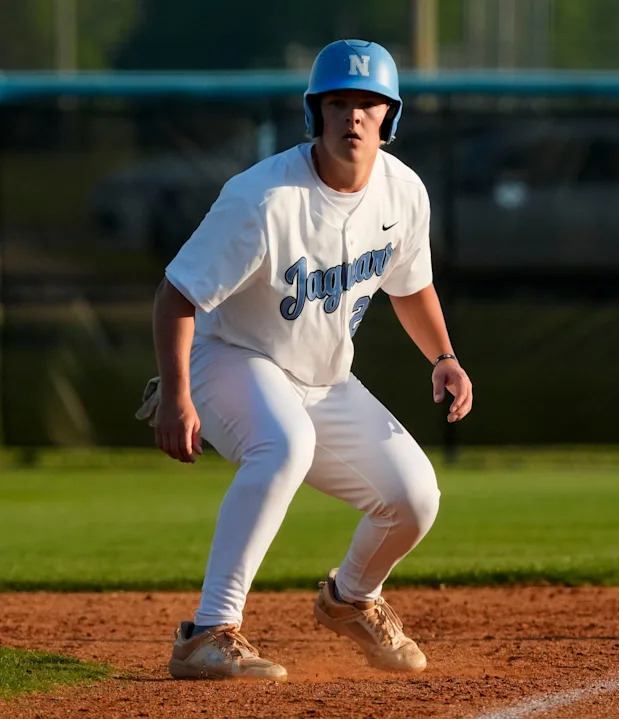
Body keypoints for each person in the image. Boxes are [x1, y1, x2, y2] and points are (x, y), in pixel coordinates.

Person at [141, 39, 473, 679]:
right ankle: (209, 632)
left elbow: (411, 286)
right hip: (227, 356)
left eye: (367, 104)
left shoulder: (402, 193)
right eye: (338, 103)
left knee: (414, 496)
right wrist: (179, 395)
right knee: (284, 444)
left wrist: (444, 356)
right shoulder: (263, 199)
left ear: (389, 118)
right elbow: (175, 297)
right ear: (316, 114)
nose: (353, 116)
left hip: (321, 378)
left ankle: (351, 600)